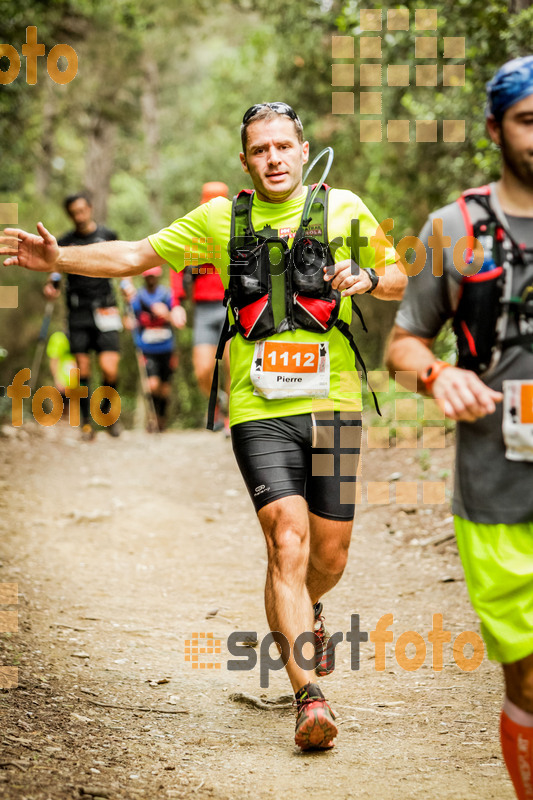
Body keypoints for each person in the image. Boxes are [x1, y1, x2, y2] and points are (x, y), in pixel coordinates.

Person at [2, 102, 406, 750]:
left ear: (303, 151)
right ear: (244, 161)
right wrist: (60, 258)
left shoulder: (344, 209)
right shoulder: (222, 220)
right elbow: (134, 253)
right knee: (287, 543)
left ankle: (310, 607)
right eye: (260, 149)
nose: (273, 157)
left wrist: (367, 276)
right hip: (258, 409)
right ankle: (311, 698)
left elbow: (394, 277)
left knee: (328, 556)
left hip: (334, 408)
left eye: (283, 146)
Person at [385, 58, 533, 799]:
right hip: (497, 489)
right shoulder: (453, 230)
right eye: (528, 120)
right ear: (493, 129)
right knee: (530, 678)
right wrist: (439, 375)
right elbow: (401, 345)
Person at [43, 192, 122, 440]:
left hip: (106, 308)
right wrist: (52, 285)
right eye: (74, 212)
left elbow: (123, 263)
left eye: (82, 210)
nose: (79, 215)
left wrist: (128, 288)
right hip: (78, 311)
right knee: (83, 367)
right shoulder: (64, 241)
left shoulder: (108, 236)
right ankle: (87, 422)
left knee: (110, 367)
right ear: (70, 214)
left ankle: (108, 415)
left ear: (89, 208)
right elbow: (56, 272)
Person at [170, 181, 231, 433]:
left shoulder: (237, 232)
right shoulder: (192, 238)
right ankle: (218, 403)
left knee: (232, 366)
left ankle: (231, 420)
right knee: (202, 370)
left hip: (231, 307)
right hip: (203, 310)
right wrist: (176, 304)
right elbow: (177, 271)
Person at [130, 266, 185, 431]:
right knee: (152, 385)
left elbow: (178, 321)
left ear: (158, 276)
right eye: (148, 276)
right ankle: (152, 419)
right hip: (147, 348)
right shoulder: (138, 297)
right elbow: (131, 318)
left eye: (153, 276)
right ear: (144, 278)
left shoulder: (167, 295)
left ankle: (162, 419)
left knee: (165, 388)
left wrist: (166, 314)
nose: (151, 279)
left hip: (167, 347)